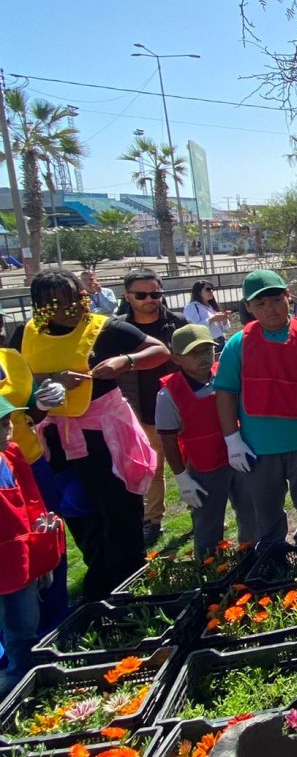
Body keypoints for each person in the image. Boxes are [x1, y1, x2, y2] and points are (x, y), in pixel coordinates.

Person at [16, 269, 168, 600]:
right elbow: (16, 385)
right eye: (61, 303)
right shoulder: (26, 335)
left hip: (104, 436)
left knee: (119, 511)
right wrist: (40, 396)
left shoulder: (104, 328)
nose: (73, 308)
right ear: (41, 306)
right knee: (78, 513)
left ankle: (130, 582)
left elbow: (158, 351)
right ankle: (100, 577)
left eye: (77, 299)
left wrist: (125, 361)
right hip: (56, 440)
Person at [214, 269, 297, 550]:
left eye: (275, 300)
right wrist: (232, 440)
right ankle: (274, 555)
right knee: (266, 508)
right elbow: (225, 392)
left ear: (288, 297)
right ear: (248, 307)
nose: (270, 309)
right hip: (259, 447)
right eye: (260, 304)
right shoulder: (238, 345)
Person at [155, 324, 257, 555]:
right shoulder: (169, 393)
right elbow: (168, 441)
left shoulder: (226, 373)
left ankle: (253, 559)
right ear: (177, 358)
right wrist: (182, 479)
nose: (202, 358)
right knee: (208, 523)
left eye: (206, 351)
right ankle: (211, 571)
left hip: (240, 458)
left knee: (252, 514)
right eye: (193, 353)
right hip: (205, 467)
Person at [115, 268, 188, 548]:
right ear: (127, 296)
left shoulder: (177, 323)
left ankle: (201, 511)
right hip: (140, 411)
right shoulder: (119, 329)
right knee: (151, 469)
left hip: (181, 410)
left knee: (191, 464)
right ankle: (153, 520)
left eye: (155, 293)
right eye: (141, 294)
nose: (150, 299)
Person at [0, 346, 69, 632]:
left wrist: (43, 402)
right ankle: (14, 639)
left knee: (45, 536)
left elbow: (28, 411)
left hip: (25, 462)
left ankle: (53, 623)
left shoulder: (11, 358)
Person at [0, 398, 64, 697]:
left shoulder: (12, 455)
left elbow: (32, 504)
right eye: (1, 425)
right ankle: (14, 676)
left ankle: (23, 682)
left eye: (7, 421)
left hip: (18, 558)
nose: (8, 430)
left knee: (24, 623)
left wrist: (42, 555)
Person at [183, 280, 232, 351]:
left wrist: (224, 319)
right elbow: (193, 328)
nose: (211, 291)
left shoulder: (211, 306)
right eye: (208, 289)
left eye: (212, 289)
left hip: (221, 341)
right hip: (207, 344)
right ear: (199, 292)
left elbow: (225, 328)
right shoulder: (191, 307)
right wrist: (212, 319)